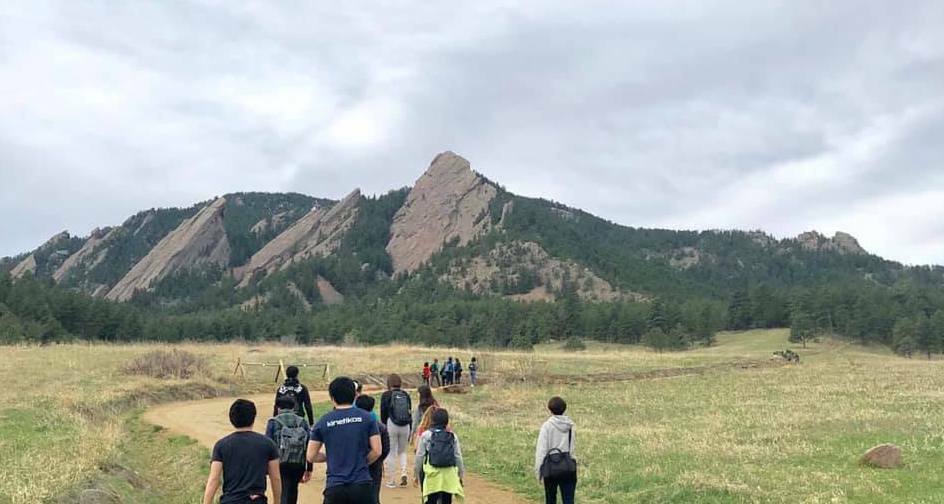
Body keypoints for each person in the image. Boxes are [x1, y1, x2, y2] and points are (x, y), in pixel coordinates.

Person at [307, 377, 382, 504]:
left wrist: (330, 457)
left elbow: (311, 455)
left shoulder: (323, 421)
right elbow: (377, 450)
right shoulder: (368, 418)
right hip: (361, 484)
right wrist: (361, 462)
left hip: (335, 486)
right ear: (355, 395)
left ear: (332, 398)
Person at [203, 399, 282, 504]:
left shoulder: (221, 445)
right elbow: (275, 478)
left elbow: (214, 479)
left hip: (230, 500)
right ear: (253, 417)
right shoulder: (268, 444)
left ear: (231, 419)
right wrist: (277, 501)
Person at [265, 396, 312, 504]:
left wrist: (267, 468)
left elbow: (268, 445)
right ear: (293, 407)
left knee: (283, 491)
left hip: (280, 463)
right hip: (298, 463)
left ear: (278, 408)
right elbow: (308, 445)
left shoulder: (273, 422)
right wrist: (309, 468)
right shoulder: (302, 422)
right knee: (293, 490)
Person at [414, 408, 464, 504]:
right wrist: (460, 474)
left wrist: (416, 474)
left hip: (431, 475)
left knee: (430, 500)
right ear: (447, 421)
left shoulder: (426, 435)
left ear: (433, 420)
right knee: (446, 500)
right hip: (448, 476)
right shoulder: (452, 436)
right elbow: (458, 456)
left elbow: (419, 456)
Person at [535, 396, 577, 504]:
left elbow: (541, 450)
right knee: (569, 500)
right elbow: (572, 449)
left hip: (551, 467)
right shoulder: (570, 425)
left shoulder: (547, 426)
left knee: (550, 499)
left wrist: (539, 471)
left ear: (550, 409)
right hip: (567, 466)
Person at [355, 395, 390, 504]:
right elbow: (386, 448)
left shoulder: (352, 426)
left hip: (356, 465)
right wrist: (378, 459)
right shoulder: (380, 426)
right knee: (374, 495)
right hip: (375, 465)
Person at [379, 374, 412, 488]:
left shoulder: (386, 395)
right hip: (405, 424)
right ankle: (404, 472)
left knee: (391, 452)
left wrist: (384, 427)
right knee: (402, 451)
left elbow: (383, 413)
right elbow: (409, 411)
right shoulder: (405, 394)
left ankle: (391, 481)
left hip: (391, 424)